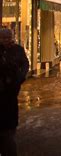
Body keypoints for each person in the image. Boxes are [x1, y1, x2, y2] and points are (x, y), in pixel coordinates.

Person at [0, 28, 29, 156]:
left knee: (9, 134)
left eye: (8, 37)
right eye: (3, 38)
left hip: (10, 94)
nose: (6, 40)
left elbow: (25, 64)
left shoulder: (17, 50)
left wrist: (19, 79)